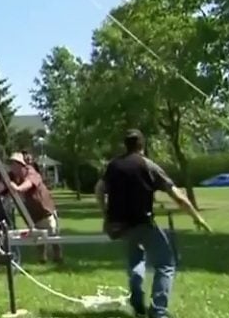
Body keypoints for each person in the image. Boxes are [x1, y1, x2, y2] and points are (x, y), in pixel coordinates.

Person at [95, 130, 210, 318]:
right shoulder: (148, 166)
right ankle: (158, 312)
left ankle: (137, 296)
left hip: (118, 225)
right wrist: (197, 217)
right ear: (142, 145)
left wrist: (105, 213)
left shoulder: (113, 166)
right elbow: (178, 196)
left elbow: (99, 189)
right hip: (142, 222)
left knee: (136, 257)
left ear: (126, 145)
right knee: (166, 263)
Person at [0, 152, 62, 263]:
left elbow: (28, 183)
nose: (12, 166)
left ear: (21, 164)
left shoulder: (31, 172)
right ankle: (42, 259)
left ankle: (58, 258)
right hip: (31, 215)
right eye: (11, 163)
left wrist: (18, 188)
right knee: (38, 239)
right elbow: (2, 184)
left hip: (45, 211)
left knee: (53, 236)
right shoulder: (13, 176)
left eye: (14, 163)